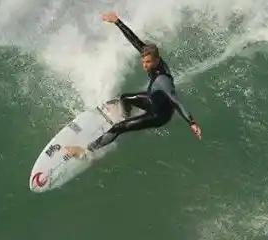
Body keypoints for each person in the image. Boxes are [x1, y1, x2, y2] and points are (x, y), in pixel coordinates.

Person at [81, 11, 202, 153]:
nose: (144, 65)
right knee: (124, 98)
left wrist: (192, 123)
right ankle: (126, 117)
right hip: (152, 99)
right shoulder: (152, 58)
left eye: (148, 62)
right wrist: (117, 21)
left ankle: (86, 150)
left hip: (158, 115)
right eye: (143, 61)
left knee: (117, 128)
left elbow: (176, 102)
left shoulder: (163, 81)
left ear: (157, 60)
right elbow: (135, 40)